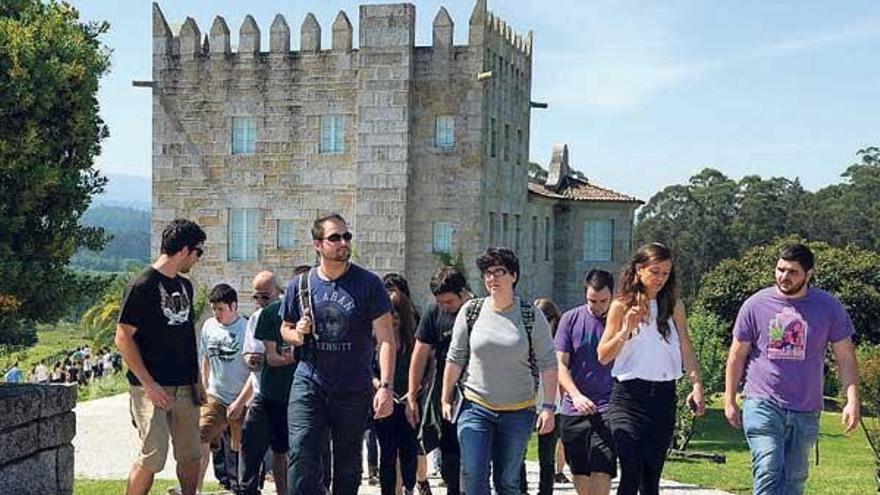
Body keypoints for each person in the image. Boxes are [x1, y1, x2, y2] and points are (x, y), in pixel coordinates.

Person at [723, 242, 860, 495]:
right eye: (780, 269)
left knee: (795, 479)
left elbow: (846, 358)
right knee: (768, 464)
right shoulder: (755, 305)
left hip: (806, 407)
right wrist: (729, 398)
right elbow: (737, 355)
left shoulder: (828, 307)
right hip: (762, 400)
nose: (784, 277)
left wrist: (852, 401)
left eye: (792, 272)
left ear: (808, 274)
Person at [280, 213, 396, 495]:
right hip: (309, 382)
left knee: (348, 466)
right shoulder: (301, 284)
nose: (343, 242)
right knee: (302, 455)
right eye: (335, 237)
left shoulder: (369, 284)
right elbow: (285, 329)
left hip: (353, 387)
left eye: (347, 236)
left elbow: (387, 340)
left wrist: (386, 388)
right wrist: (299, 334)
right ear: (318, 244)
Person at [442, 247, 559, 495]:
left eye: (499, 272)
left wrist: (548, 407)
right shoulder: (471, 311)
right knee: (473, 477)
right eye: (487, 273)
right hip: (475, 407)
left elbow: (548, 362)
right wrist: (446, 397)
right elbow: (455, 357)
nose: (492, 278)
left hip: (518, 412)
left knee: (507, 482)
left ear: (513, 276)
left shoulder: (530, 315)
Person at [597, 243, 704, 495]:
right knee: (631, 473)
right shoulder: (620, 305)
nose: (660, 279)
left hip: (663, 396)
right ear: (639, 269)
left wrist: (696, 385)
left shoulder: (674, 306)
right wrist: (625, 329)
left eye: (666, 273)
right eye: (655, 272)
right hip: (628, 397)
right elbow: (603, 355)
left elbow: (686, 347)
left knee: (651, 478)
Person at [114, 218, 206, 495]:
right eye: (198, 252)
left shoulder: (185, 286)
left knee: (191, 455)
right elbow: (122, 336)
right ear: (185, 251)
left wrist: (197, 380)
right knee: (153, 456)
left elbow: (187, 336)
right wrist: (149, 384)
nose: (198, 259)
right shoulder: (141, 285)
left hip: (185, 386)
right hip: (151, 387)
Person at [406, 266, 473, 495]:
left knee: (474, 455)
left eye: (449, 302)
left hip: (476, 392)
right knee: (449, 453)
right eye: (441, 302)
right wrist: (413, 396)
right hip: (446, 393)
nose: (445, 307)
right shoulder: (434, 312)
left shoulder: (479, 311)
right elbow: (420, 353)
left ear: (463, 292)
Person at [555, 269, 617, 495]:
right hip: (574, 407)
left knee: (602, 468)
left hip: (609, 406)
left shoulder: (621, 320)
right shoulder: (570, 320)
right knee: (579, 470)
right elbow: (560, 364)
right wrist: (575, 395)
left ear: (612, 296)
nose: (598, 306)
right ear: (584, 295)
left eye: (603, 301)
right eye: (592, 300)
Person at [239, 269, 300, 495]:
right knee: (252, 442)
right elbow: (258, 357)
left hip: (292, 393)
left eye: (265, 296)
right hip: (264, 391)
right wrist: (255, 359)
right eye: (256, 296)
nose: (259, 301)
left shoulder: (289, 315)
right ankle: (248, 489)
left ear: (280, 292)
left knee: (286, 451)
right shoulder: (260, 317)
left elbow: (273, 357)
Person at [196, 283, 252, 494]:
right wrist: (203, 385)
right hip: (215, 395)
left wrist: (240, 402)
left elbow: (255, 372)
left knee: (238, 445)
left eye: (221, 309)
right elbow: (205, 358)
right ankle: (195, 488)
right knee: (200, 436)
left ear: (233, 306)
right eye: (214, 309)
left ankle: (239, 487)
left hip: (241, 396)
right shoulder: (209, 326)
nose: (216, 313)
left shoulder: (246, 329)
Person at [374, 290, 420, 495]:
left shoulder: (412, 343)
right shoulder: (376, 343)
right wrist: (381, 388)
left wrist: (413, 392)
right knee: (387, 453)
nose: (392, 319)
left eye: (396, 314)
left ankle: (409, 487)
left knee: (409, 450)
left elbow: (424, 369)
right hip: (385, 402)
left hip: (408, 402)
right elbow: (368, 370)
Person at [519, 298, 565, 495]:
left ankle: (545, 492)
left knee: (546, 456)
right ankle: (521, 490)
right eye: (540, 318)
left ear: (555, 319)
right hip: (525, 402)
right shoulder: (523, 340)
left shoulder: (561, 343)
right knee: (518, 452)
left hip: (552, 403)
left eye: (547, 318)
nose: (544, 323)